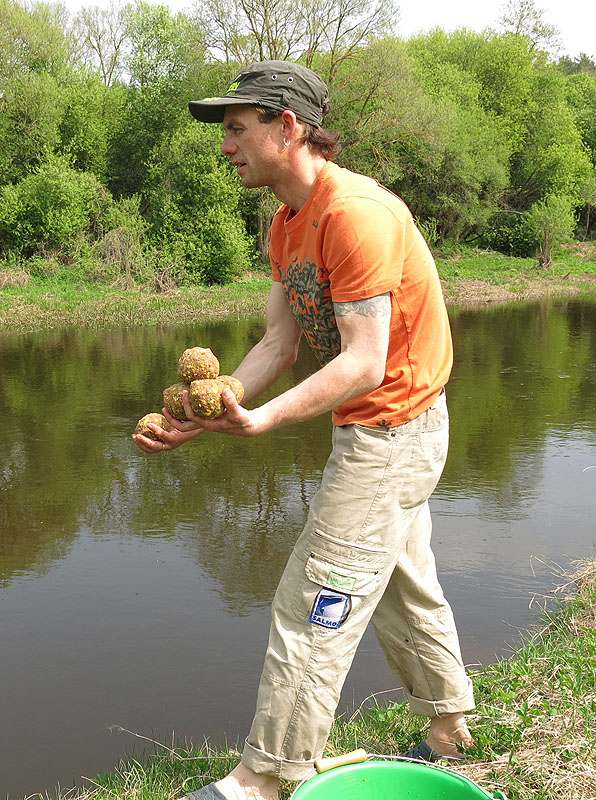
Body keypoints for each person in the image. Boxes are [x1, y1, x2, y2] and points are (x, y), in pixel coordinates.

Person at [133, 60, 475, 800]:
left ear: (287, 127)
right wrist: (212, 410)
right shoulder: (288, 225)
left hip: (395, 431)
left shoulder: (357, 214)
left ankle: (263, 778)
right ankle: (449, 725)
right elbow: (278, 344)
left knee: (316, 598)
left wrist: (262, 419)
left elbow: (363, 360)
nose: (226, 145)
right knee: (397, 582)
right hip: (380, 429)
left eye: (237, 129)